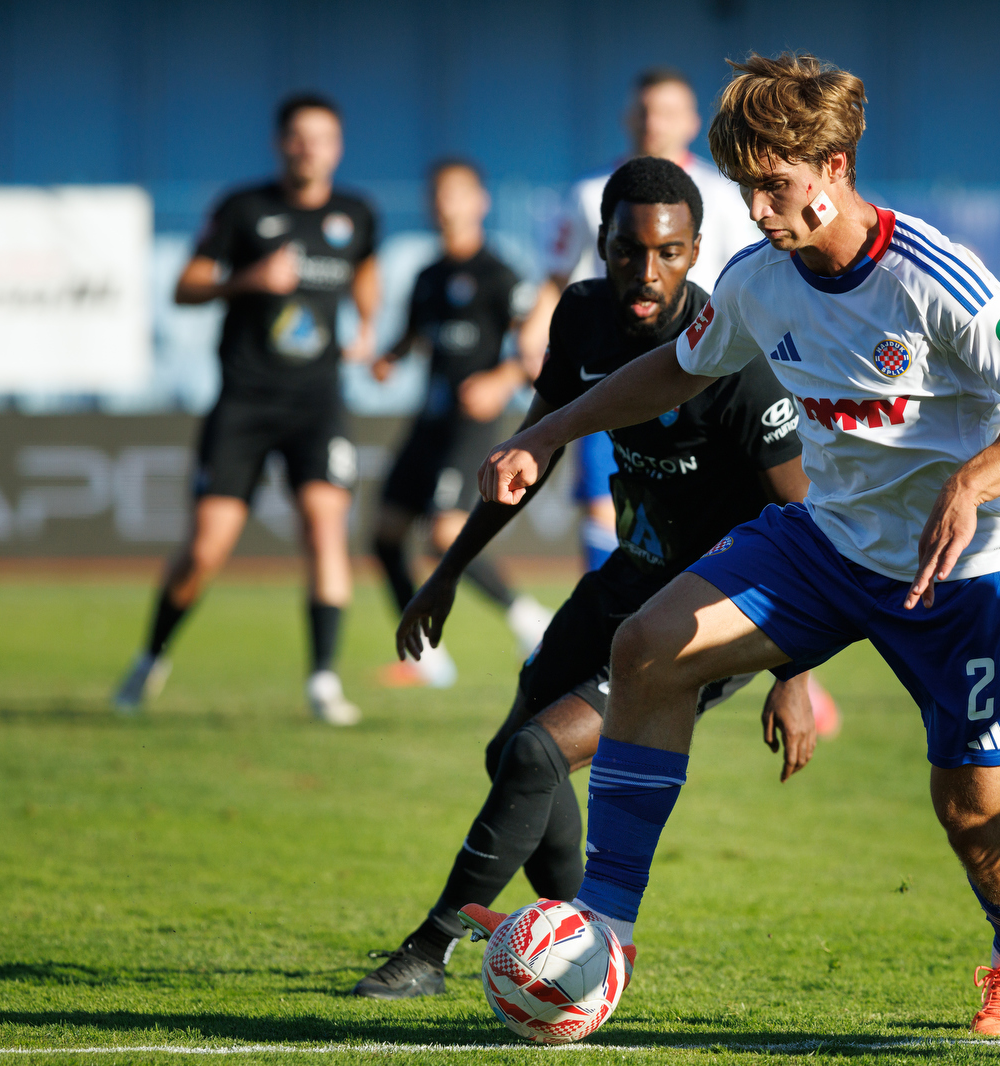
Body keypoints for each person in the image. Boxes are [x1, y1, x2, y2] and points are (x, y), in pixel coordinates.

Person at [470, 54, 1000, 1035]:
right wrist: (544, 431)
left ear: (835, 166)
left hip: (959, 577)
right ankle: (607, 927)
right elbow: (672, 374)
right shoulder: (759, 279)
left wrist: (975, 480)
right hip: (825, 545)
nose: (759, 208)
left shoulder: (932, 279)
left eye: (776, 184)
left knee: (973, 817)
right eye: (746, 187)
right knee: (645, 645)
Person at [360, 157, 816, 999]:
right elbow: (532, 448)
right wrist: (448, 572)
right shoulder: (582, 319)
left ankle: (429, 950)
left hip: (706, 618)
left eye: (670, 253)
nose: (648, 274)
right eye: (628, 252)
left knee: (537, 753)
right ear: (600, 245)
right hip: (625, 578)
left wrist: (794, 672)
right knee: (512, 755)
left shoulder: (736, 360)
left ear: (697, 250)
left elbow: (802, 524)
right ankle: (583, 945)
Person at [113, 92, 379, 726]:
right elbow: (185, 286)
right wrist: (248, 280)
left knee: (324, 523)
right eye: (299, 136)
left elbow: (364, 272)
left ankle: (322, 679)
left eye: (323, 137)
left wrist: (366, 323)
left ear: (337, 148)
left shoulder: (357, 214)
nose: (310, 147)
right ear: (281, 143)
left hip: (316, 401)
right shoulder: (243, 209)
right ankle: (151, 655)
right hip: (244, 401)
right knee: (206, 548)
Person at [519, 67, 759, 577]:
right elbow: (556, 277)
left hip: (701, 375)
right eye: (645, 110)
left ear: (693, 122)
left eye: (667, 111)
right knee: (608, 505)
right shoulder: (589, 193)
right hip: (608, 368)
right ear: (629, 116)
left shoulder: (722, 196)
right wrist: (532, 334)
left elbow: (749, 285)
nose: (654, 122)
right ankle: (611, 619)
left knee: (721, 509)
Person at [369, 159, 551, 686]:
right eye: (437, 194)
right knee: (384, 536)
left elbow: (536, 349)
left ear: (479, 202)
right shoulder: (428, 276)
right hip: (429, 420)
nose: (444, 203)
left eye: (455, 193)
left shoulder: (500, 274)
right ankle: (426, 656)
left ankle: (528, 619)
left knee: (443, 532)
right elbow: (412, 336)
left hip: (471, 424)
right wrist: (389, 357)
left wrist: (502, 378)